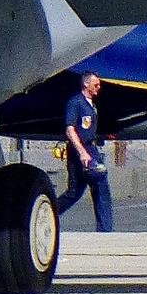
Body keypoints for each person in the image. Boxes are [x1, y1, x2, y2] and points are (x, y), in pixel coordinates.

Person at [56, 71, 113, 231]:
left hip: (91, 147)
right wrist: (82, 152)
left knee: (81, 190)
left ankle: (50, 212)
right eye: (96, 84)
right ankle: (106, 231)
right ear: (86, 84)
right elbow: (70, 130)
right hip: (81, 149)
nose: (99, 87)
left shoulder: (91, 105)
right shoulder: (76, 103)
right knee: (95, 185)